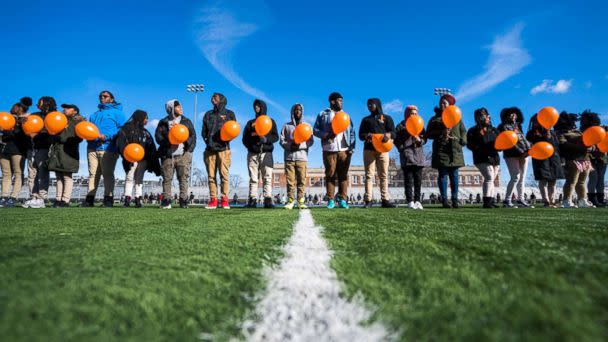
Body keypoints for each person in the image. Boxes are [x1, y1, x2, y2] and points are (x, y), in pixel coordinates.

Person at [82, 90, 126, 207]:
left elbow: (122, 131)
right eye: (100, 96)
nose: (102, 98)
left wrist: (107, 137)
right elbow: (88, 130)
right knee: (92, 175)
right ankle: (89, 200)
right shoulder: (93, 115)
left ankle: (108, 199)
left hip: (109, 148)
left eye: (105, 96)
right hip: (92, 147)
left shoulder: (118, 113)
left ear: (111, 99)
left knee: (107, 174)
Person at [313, 92, 356, 209]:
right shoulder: (323, 114)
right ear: (332, 101)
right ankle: (331, 199)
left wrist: (352, 147)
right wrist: (326, 134)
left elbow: (352, 132)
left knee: (343, 175)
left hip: (344, 150)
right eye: (339, 100)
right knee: (330, 174)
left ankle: (343, 199)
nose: (342, 103)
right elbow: (315, 130)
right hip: (329, 149)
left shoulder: (346, 115)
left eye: (342, 101)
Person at [426, 93, 466, 208]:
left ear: (450, 105)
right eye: (441, 102)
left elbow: (463, 131)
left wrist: (463, 140)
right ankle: (444, 199)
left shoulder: (457, 118)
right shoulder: (434, 119)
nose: (442, 104)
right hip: (441, 149)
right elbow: (428, 133)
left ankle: (454, 199)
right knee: (442, 175)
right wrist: (440, 132)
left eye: (444, 102)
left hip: (455, 150)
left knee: (454, 175)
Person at [155, 100, 196, 209]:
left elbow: (193, 137)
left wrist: (188, 152)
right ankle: (166, 201)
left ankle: (183, 201)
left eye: (180, 106)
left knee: (183, 178)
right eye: (177, 106)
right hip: (167, 155)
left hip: (183, 155)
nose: (181, 108)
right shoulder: (163, 122)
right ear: (171, 109)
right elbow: (158, 138)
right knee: (167, 178)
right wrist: (171, 135)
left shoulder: (186, 121)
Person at [118, 110, 161, 208]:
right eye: (146, 118)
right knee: (129, 178)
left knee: (139, 179)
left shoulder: (146, 132)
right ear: (140, 118)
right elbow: (121, 143)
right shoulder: (126, 128)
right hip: (130, 159)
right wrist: (126, 154)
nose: (147, 120)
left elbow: (151, 147)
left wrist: (154, 157)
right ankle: (127, 199)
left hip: (143, 159)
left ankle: (138, 199)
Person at [359, 98, 396, 208]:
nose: (369, 106)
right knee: (369, 175)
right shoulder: (366, 120)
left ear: (377, 104)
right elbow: (361, 135)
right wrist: (367, 136)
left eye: (371, 104)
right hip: (369, 150)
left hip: (383, 150)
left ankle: (385, 200)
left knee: (383, 175)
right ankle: (368, 200)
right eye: (368, 104)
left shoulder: (387, 118)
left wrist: (389, 135)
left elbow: (394, 133)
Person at [242, 99, 279, 208]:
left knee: (267, 177)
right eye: (255, 106)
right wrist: (251, 146)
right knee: (253, 178)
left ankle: (267, 199)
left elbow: (275, 137)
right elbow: (245, 139)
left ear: (263, 107)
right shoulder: (250, 123)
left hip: (266, 153)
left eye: (258, 106)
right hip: (252, 153)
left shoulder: (270, 121)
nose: (256, 108)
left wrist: (266, 139)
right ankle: (252, 200)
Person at [202, 93, 236, 209]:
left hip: (224, 149)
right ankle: (213, 200)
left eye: (215, 97)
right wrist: (208, 142)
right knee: (211, 176)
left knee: (224, 175)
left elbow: (233, 131)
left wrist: (225, 140)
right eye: (211, 97)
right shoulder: (208, 114)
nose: (212, 98)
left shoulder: (229, 114)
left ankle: (225, 200)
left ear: (221, 99)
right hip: (210, 150)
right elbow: (203, 132)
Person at [47, 104, 84, 207]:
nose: (65, 109)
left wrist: (62, 139)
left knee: (67, 176)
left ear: (75, 111)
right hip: (57, 151)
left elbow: (79, 137)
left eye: (68, 108)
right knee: (58, 176)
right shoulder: (61, 119)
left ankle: (65, 200)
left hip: (69, 151)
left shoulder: (79, 121)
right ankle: (58, 199)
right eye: (64, 108)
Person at [23, 97, 57, 208]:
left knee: (43, 173)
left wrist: (39, 132)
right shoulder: (35, 115)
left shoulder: (54, 116)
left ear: (47, 103)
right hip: (31, 148)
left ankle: (42, 197)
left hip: (44, 148)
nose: (37, 104)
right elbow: (26, 125)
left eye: (40, 102)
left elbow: (53, 129)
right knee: (31, 174)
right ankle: (33, 196)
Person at [556, 112, 595, 208]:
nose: (574, 124)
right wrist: (582, 148)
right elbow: (564, 144)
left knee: (582, 182)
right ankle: (566, 200)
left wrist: (591, 148)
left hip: (585, 160)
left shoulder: (580, 132)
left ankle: (582, 200)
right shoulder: (562, 133)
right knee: (571, 181)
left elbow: (592, 143)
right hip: (572, 160)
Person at [526, 113, 564, 208]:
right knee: (543, 180)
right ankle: (546, 201)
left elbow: (557, 146)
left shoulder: (552, 132)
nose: (536, 122)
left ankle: (552, 200)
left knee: (553, 181)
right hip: (541, 159)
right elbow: (533, 141)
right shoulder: (531, 133)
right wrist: (545, 134)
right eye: (535, 121)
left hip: (554, 158)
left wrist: (561, 159)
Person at [280, 103, 314, 209]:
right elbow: (282, 141)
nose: (297, 111)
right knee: (290, 181)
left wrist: (299, 145)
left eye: (299, 110)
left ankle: (300, 200)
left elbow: (310, 141)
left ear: (302, 112)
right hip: (289, 157)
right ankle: (290, 201)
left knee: (302, 180)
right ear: (292, 112)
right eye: (295, 110)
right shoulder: (286, 126)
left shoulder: (307, 126)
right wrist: (290, 146)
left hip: (302, 158)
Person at [497, 107, 532, 208]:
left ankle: (520, 199)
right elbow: (509, 141)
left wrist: (529, 149)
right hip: (511, 155)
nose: (513, 116)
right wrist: (522, 152)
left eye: (514, 114)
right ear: (506, 116)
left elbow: (523, 140)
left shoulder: (518, 126)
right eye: (510, 114)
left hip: (525, 154)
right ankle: (507, 200)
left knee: (522, 179)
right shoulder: (503, 126)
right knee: (515, 177)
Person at [0, 97, 32, 207]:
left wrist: (18, 123)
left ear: (19, 108)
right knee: (6, 174)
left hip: (18, 150)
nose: (11, 108)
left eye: (13, 106)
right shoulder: (6, 118)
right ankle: (4, 196)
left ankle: (14, 197)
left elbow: (27, 135)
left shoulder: (27, 119)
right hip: (4, 150)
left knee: (18, 174)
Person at [466, 107, 500, 208]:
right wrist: (479, 148)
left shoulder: (494, 130)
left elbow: (500, 143)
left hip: (494, 158)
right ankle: (486, 201)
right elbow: (469, 144)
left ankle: (491, 200)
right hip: (481, 158)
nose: (484, 117)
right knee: (489, 177)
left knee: (492, 179)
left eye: (485, 115)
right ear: (477, 117)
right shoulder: (473, 130)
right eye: (481, 115)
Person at [395, 105, 427, 209]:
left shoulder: (420, 124)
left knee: (418, 181)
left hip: (418, 157)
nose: (413, 115)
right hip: (407, 157)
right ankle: (410, 201)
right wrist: (403, 147)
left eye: (415, 113)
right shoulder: (400, 126)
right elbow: (396, 141)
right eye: (411, 113)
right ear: (407, 114)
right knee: (408, 180)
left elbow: (425, 138)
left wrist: (420, 140)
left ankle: (418, 201)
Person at [581, 110, 607, 207]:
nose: (582, 122)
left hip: (603, 157)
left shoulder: (602, 129)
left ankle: (600, 199)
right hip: (589, 158)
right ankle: (592, 199)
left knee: (600, 178)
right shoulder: (583, 131)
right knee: (594, 177)